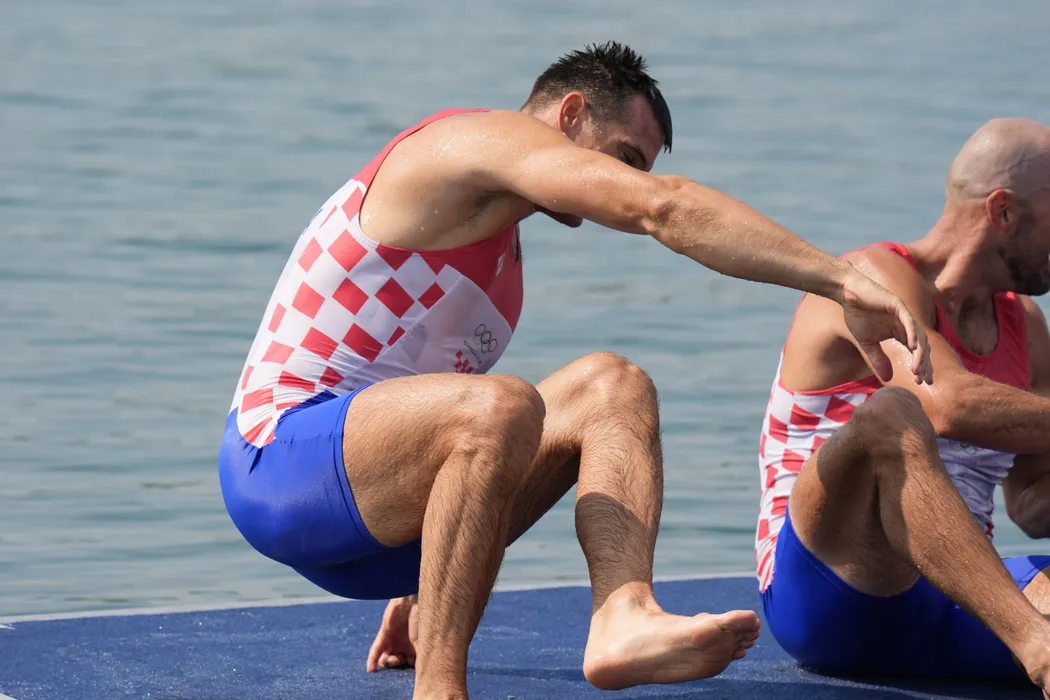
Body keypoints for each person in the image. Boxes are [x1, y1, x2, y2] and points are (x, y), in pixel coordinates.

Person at [218, 41, 930, 699]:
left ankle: (623, 616)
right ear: (570, 114)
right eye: (624, 157)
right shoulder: (466, 142)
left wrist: (424, 588)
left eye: (637, 169)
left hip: (375, 517)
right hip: (279, 465)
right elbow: (665, 208)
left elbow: (417, 403)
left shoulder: (504, 265)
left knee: (612, 385)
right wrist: (841, 281)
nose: (624, 182)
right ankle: (439, 689)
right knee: (501, 405)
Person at [755, 117, 1050, 695]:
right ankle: (1037, 645)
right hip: (828, 588)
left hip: (963, 599)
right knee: (893, 413)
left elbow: (1032, 505)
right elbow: (948, 404)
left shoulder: (1028, 329)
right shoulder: (867, 278)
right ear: (1003, 211)